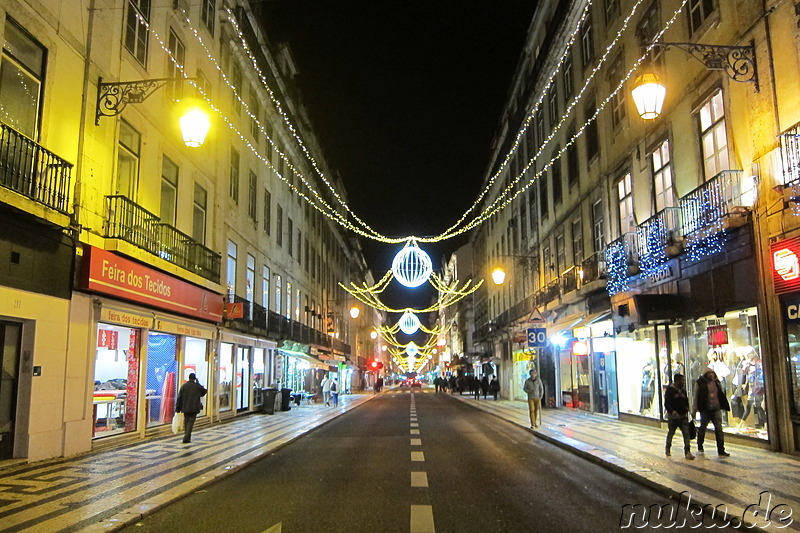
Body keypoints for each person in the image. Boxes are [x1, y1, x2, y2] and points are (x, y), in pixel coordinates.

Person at [692, 369, 731, 457]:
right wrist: (694, 410)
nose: (711, 375)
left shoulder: (717, 383)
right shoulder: (700, 383)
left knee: (719, 429)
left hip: (716, 409)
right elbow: (695, 397)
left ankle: (721, 449)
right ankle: (700, 446)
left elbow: (720, 394)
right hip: (705, 410)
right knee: (702, 428)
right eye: (709, 374)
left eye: (712, 373)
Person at [664, 374, 695, 460]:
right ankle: (668, 448)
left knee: (686, 434)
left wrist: (688, 409)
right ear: (676, 381)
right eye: (681, 380)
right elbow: (667, 403)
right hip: (673, 417)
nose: (683, 382)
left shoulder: (683, 391)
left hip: (683, 416)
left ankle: (687, 452)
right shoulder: (670, 391)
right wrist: (672, 411)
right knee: (671, 432)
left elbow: (686, 400)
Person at [175, 373, 207, 444]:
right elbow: (204, 391)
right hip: (194, 408)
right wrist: (198, 383)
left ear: (188, 378)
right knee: (190, 422)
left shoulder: (184, 386)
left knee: (186, 421)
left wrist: (177, 408)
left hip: (185, 407)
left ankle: (187, 436)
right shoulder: (197, 386)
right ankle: (186, 437)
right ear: (194, 379)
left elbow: (179, 398)